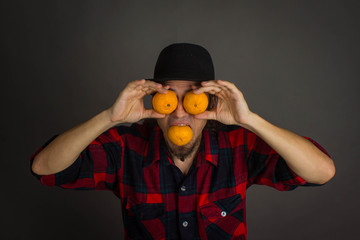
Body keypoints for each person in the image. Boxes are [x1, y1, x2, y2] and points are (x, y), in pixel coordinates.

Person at [30, 43, 335, 240]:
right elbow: (45, 167)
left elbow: (321, 171)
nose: (178, 113)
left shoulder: (237, 145)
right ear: (153, 100)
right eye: (168, 98)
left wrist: (250, 119)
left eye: (191, 100)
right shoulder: (126, 148)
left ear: (210, 103)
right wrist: (109, 117)